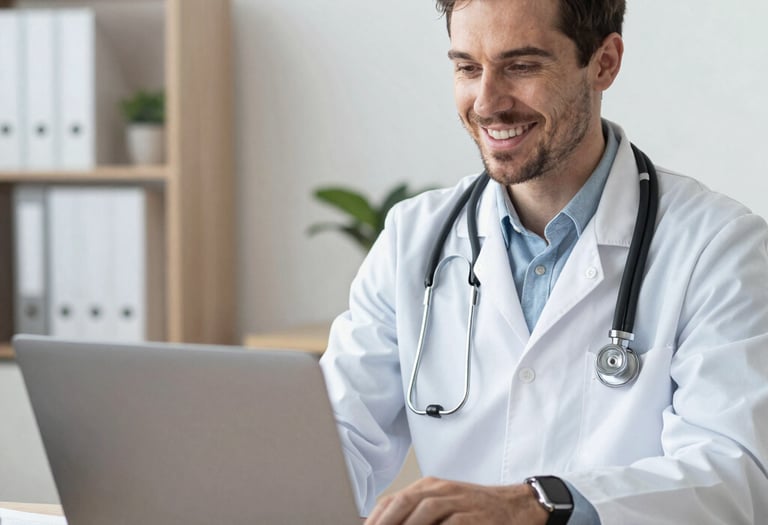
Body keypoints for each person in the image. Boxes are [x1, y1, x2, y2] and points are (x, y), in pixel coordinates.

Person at [319, 0, 768, 523]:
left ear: (604, 63)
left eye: (521, 66)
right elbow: (337, 441)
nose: (487, 102)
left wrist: (538, 506)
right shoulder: (412, 239)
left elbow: (736, 475)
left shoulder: (718, 247)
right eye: (467, 67)